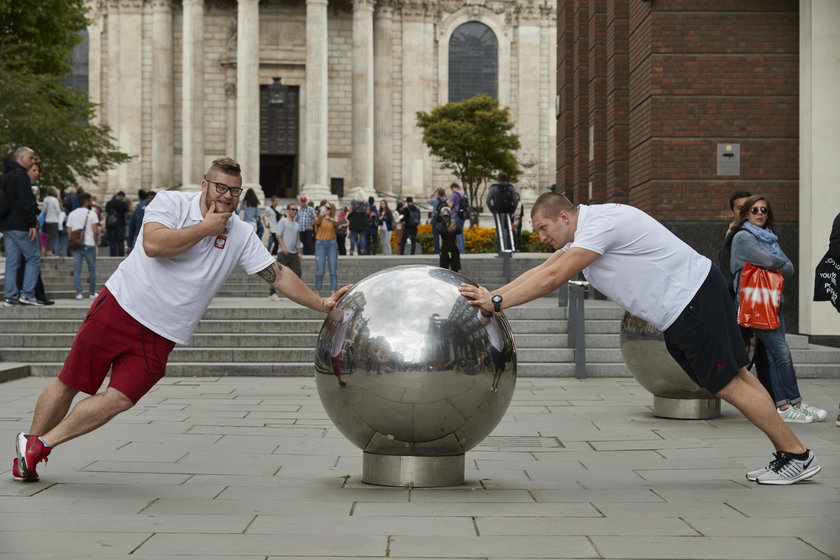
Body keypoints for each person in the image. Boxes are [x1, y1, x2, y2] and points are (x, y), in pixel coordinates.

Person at [11, 157, 350, 483]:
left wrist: (320, 303)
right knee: (72, 381)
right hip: (121, 306)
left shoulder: (242, 234)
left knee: (120, 399)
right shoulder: (171, 203)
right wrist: (204, 228)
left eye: (234, 190)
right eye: (220, 187)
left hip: (163, 332)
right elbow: (154, 244)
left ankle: (39, 445)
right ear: (205, 185)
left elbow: (276, 274)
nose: (227, 196)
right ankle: (30, 451)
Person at [459, 192, 821, 485]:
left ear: (564, 217)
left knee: (728, 383)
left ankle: (796, 455)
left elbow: (555, 277)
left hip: (691, 300)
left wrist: (496, 301)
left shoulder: (599, 224)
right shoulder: (590, 227)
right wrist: (495, 296)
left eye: (542, 228)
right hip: (693, 298)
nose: (540, 237)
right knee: (737, 377)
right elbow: (545, 267)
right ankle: (792, 455)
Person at [730, 195, 826, 424]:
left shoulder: (770, 237)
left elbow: (790, 268)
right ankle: (795, 402)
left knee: (774, 356)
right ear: (746, 214)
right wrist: (776, 261)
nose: (760, 213)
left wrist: (776, 261)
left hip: (772, 302)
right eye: (754, 210)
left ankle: (784, 405)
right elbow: (775, 262)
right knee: (781, 352)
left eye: (764, 209)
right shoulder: (744, 237)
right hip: (756, 305)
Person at [1, 147, 42, 307]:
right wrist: (31, 223)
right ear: (22, 158)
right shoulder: (21, 176)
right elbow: (26, 202)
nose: (33, 161)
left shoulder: (5, 176)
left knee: (12, 261)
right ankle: (27, 294)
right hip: (20, 224)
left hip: (6, 224)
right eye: (31, 158)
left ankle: (10, 296)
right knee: (33, 257)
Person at [67, 192, 100, 300]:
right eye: (90, 201)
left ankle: (79, 293)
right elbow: (95, 231)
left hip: (77, 245)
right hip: (90, 244)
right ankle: (91, 293)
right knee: (92, 269)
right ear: (86, 202)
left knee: (77, 270)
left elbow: (69, 231)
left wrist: (73, 241)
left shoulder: (72, 214)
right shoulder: (92, 214)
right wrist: (95, 243)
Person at [270, 203, 303, 300]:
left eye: (296, 210)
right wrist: (283, 247)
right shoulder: (283, 221)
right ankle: (272, 294)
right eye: (292, 209)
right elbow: (278, 235)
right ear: (288, 210)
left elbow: (297, 240)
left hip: (293, 253)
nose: (294, 211)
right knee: (278, 273)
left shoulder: (297, 224)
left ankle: (291, 293)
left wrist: (299, 251)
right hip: (283, 253)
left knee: (298, 273)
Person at [486, 172, 520, 253]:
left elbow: (488, 200)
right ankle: (510, 249)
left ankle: (499, 250)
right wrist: (512, 210)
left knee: (499, 230)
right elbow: (515, 201)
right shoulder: (510, 188)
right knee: (508, 229)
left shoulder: (493, 188)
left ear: (498, 178)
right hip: (508, 210)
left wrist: (492, 210)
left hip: (497, 210)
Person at [313, 201, 339, 292]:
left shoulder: (333, 219)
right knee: (319, 269)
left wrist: (329, 218)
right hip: (320, 244)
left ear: (331, 210)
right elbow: (317, 222)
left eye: (328, 208)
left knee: (333, 268)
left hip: (332, 243)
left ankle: (333, 291)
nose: (326, 210)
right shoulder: (319, 217)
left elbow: (337, 224)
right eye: (325, 207)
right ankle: (317, 292)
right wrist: (321, 215)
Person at [436, 206, 462, 272]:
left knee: (455, 268)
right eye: (444, 216)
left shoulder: (453, 224)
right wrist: (448, 230)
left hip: (453, 248)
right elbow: (440, 231)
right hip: (444, 249)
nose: (446, 218)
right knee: (444, 269)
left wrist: (456, 228)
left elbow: (460, 231)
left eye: (447, 216)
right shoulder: (440, 225)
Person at [104, 191, 129, 256]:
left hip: (110, 225)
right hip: (120, 225)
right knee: (120, 242)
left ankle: (113, 256)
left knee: (112, 242)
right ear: (122, 196)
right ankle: (120, 256)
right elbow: (127, 214)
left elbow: (106, 213)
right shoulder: (123, 203)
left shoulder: (109, 203)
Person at [447, 182, 467, 254]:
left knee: (457, 232)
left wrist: (447, 202)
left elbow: (450, 205)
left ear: (452, 188)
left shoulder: (454, 194)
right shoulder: (463, 193)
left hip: (455, 215)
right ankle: (462, 249)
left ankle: (460, 250)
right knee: (461, 232)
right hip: (463, 215)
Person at [428, 187, 447, 254]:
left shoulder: (434, 200)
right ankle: (444, 250)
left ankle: (437, 251)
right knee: (444, 236)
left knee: (436, 236)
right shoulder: (446, 200)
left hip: (435, 219)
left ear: (438, 194)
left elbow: (428, 199)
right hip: (444, 219)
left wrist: (433, 192)